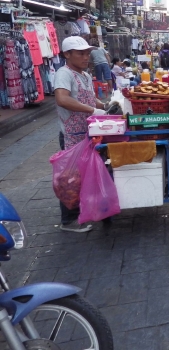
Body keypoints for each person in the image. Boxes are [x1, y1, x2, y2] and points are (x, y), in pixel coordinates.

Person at [54, 36, 108, 233]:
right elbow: (62, 99)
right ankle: (68, 220)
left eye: (87, 53)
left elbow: (92, 101)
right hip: (71, 136)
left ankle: (86, 210)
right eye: (80, 53)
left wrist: (107, 106)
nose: (86, 57)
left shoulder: (84, 75)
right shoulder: (64, 73)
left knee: (84, 175)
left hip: (87, 133)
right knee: (70, 179)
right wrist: (93, 111)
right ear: (67, 54)